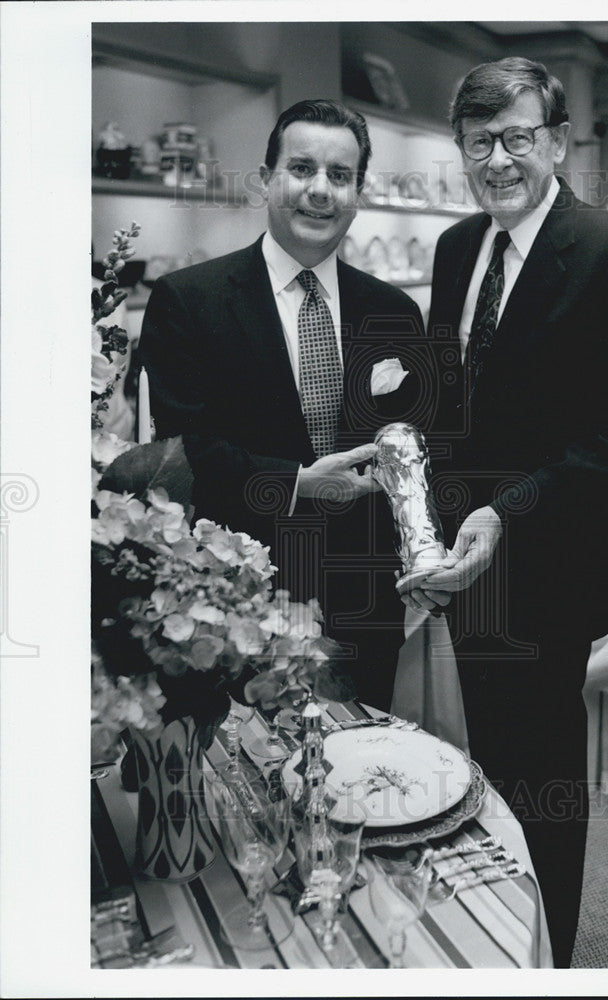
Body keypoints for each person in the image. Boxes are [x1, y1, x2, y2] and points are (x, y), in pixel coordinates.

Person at [405, 58, 608, 966]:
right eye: (481, 142)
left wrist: (503, 514)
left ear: (555, 140)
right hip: (464, 564)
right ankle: (492, 935)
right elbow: (449, 401)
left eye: (518, 137)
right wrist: (417, 497)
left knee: (541, 773)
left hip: (547, 564)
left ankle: (546, 954)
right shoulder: (452, 249)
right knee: (480, 764)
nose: (499, 159)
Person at [139, 100, 427, 712]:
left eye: (340, 175)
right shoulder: (189, 302)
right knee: (250, 783)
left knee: (360, 776)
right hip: (239, 604)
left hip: (364, 606)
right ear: (266, 177)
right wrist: (297, 484)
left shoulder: (396, 312)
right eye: (301, 169)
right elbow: (187, 453)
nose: (320, 190)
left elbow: (411, 444)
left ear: (357, 191)